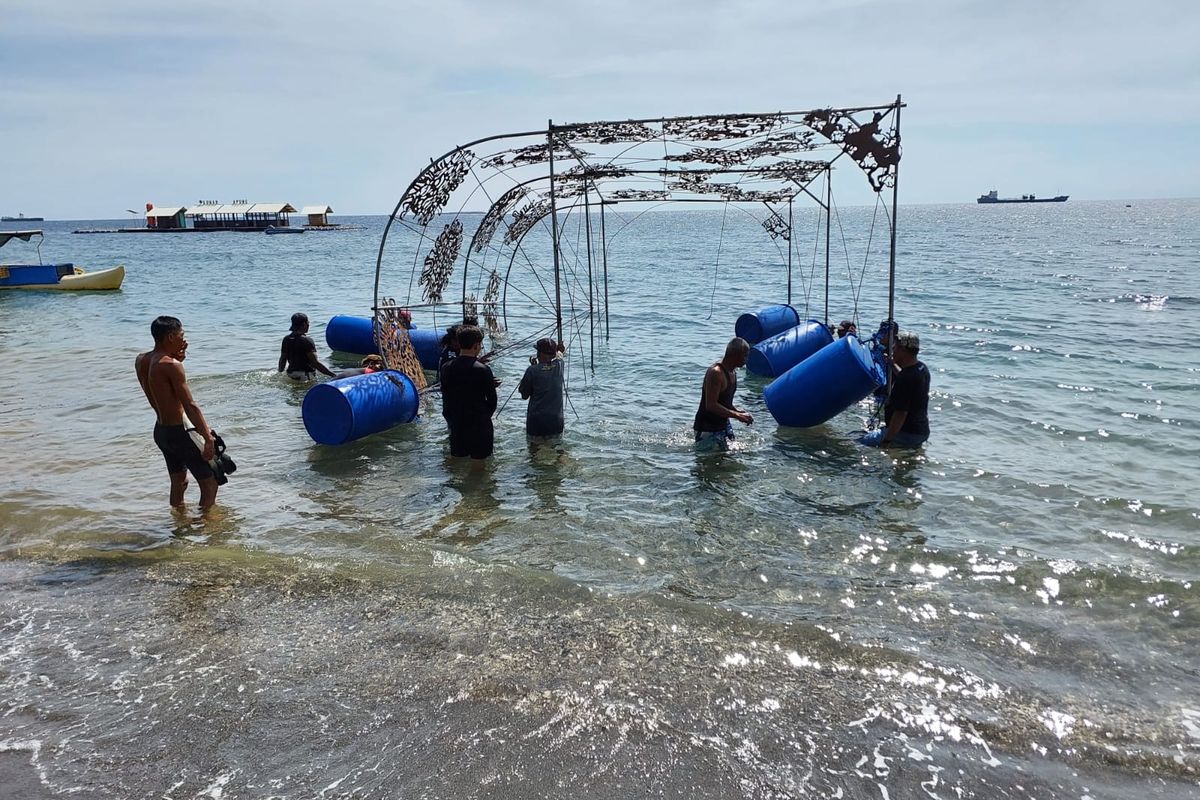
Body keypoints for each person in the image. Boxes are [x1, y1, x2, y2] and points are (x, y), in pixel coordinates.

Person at [135, 316, 220, 509]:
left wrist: (176, 356)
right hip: (179, 433)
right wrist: (207, 438)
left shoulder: (142, 360)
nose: (185, 340)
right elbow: (190, 405)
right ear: (171, 337)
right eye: (182, 335)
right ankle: (209, 531)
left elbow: (159, 390)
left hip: (162, 431)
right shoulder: (171, 365)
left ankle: (179, 525)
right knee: (210, 483)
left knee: (179, 482)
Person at [861, 330, 930, 448]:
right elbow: (905, 376)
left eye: (895, 348)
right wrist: (892, 365)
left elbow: (901, 414)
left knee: (860, 442)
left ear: (903, 350)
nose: (892, 351)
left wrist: (887, 440)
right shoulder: (921, 368)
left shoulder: (907, 378)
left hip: (906, 432)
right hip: (921, 431)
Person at [439, 325, 498, 461]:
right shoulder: (483, 370)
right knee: (479, 467)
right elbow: (492, 400)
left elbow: (445, 395)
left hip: (457, 424)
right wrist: (484, 416)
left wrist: (451, 418)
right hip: (479, 424)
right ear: (476, 345)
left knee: (457, 464)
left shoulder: (446, 368)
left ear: (459, 343)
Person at [693, 337, 753, 450]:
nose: (746, 359)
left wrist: (738, 411)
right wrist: (737, 416)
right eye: (745, 356)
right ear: (734, 355)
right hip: (707, 428)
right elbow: (711, 405)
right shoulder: (716, 373)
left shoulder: (733, 372)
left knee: (730, 460)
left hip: (723, 425)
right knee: (708, 464)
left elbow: (724, 402)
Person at [518, 337, 566, 437]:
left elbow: (524, 395)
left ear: (540, 354)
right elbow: (560, 355)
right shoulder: (560, 364)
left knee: (534, 449)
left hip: (537, 421)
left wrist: (534, 366)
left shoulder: (532, 370)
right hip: (555, 421)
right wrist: (559, 350)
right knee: (557, 448)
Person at [278, 312, 335, 381]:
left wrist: (280, 373)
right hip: (305, 375)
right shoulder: (307, 340)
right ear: (304, 324)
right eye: (308, 322)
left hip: (290, 374)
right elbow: (315, 363)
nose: (308, 325)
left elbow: (282, 359)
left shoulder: (286, 339)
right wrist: (333, 375)